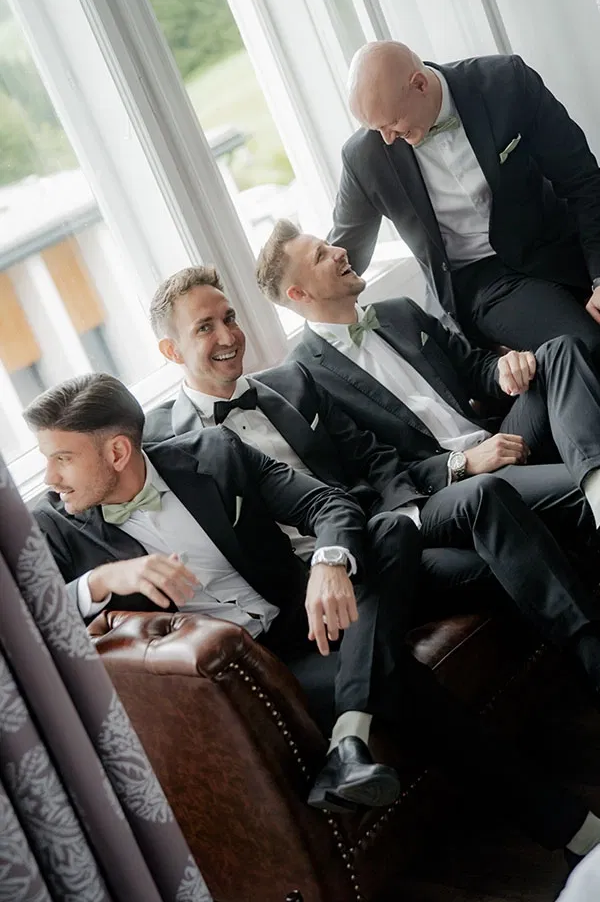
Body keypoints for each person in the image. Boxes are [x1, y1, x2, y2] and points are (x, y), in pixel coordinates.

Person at [24, 374, 600, 862]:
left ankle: (351, 741)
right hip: (263, 665)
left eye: (61, 458)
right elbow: (28, 630)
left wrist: (328, 563)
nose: (50, 476)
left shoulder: (213, 453)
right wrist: (101, 582)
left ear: (117, 452)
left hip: (314, 611)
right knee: (399, 676)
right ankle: (565, 824)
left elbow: (327, 503)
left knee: (391, 530)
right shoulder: (56, 528)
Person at [255, 222, 600, 687]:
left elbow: (475, 368)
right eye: (320, 255)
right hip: (448, 485)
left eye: (328, 244)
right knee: (552, 488)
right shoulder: (303, 377)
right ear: (299, 294)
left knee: (560, 350)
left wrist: (505, 368)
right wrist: (461, 464)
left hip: (499, 436)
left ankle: (596, 482)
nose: (338, 251)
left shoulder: (399, 311)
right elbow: (376, 471)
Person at [144, 264, 489, 610]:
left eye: (229, 318)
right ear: (172, 351)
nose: (228, 337)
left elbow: (370, 455)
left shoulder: (293, 381)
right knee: (480, 569)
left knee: (485, 497)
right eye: (205, 327)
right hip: (304, 586)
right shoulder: (161, 443)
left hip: (375, 530)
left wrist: (408, 513)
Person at [330, 40, 600, 357]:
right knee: (586, 346)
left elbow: (582, 179)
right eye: (375, 128)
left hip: (557, 243)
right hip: (485, 282)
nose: (386, 138)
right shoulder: (365, 156)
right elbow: (343, 254)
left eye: (392, 123)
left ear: (419, 84)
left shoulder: (506, 83)